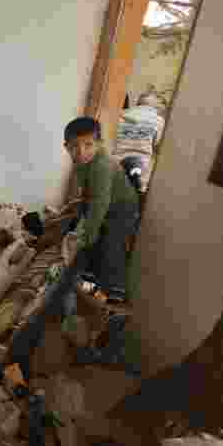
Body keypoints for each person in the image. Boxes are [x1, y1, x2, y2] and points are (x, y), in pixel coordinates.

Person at [62, 116, 140, 306]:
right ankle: (92, 275)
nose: (81, 152)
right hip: (102, 200)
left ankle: (115, 290)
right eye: (74, 146)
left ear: (99, 144)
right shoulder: (82, 164)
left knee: (112, 242)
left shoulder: (102, 166)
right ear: (66, 147)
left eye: (88, 145)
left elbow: (100, 203)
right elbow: (90, 195)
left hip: (122, 207)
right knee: (92, 236)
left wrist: (89, 233)